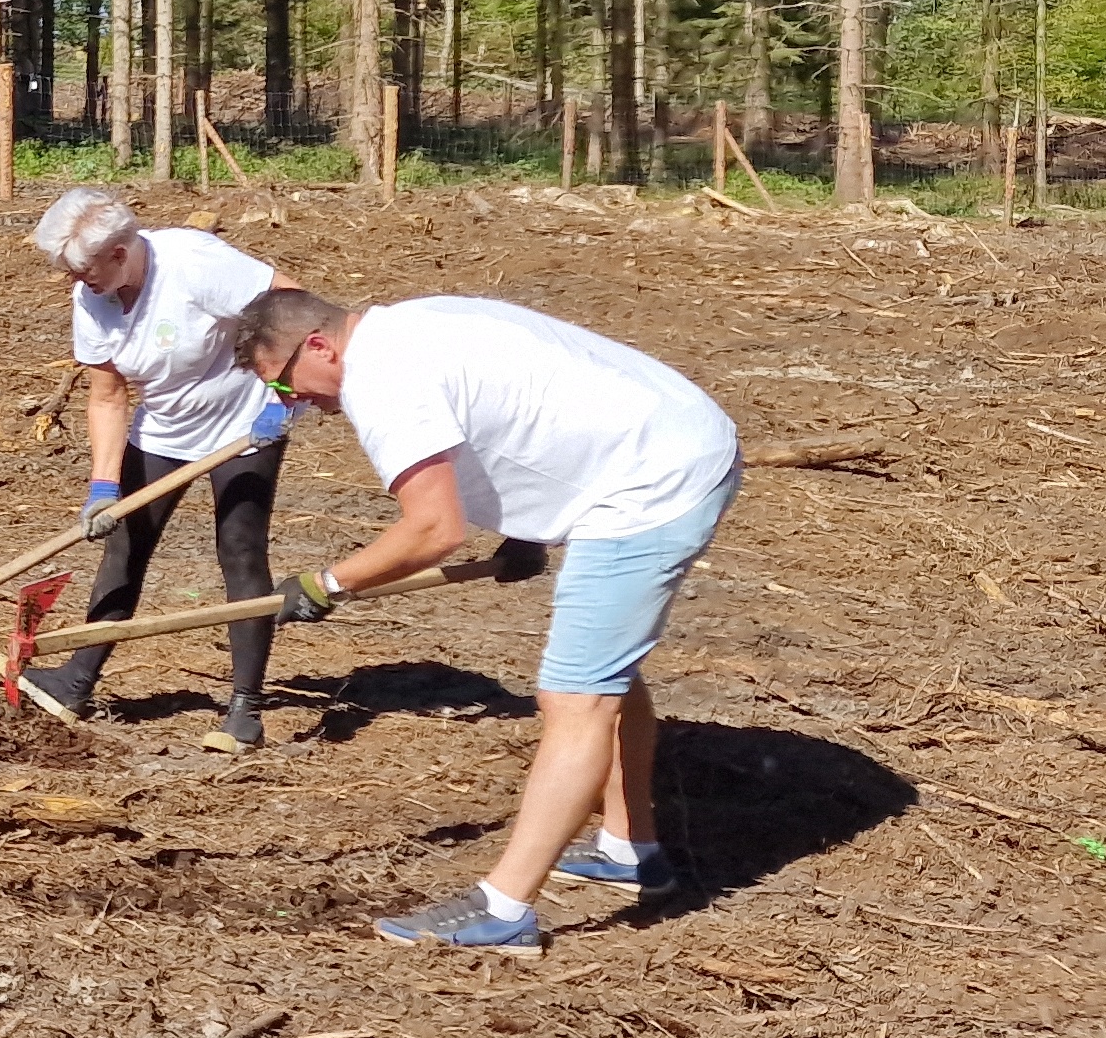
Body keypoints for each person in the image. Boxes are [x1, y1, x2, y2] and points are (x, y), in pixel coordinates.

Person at [230, 286, 742, 955]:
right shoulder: (406, 323)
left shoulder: (383, 380)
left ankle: (505, 909)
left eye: (289, 385)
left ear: (319, 346)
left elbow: (434, 529)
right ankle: (628, 847)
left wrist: (329, 583)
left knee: (574, 697)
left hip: (650, 487)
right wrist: (528, 526)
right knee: (604, 672)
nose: (297, 404)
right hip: (673, 442)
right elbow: (518, 408)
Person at [20, 189, 301, 751]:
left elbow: (293, 304)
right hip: (165, 427)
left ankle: (244, 708)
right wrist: (103, 485)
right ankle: (77, 681)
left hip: (245, 422)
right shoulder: (93, 296)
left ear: (121, 253)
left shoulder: (194, 263)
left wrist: (282, 393)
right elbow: (107, 395)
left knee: (240, 549)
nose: (75, 283)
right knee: (124, 545)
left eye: (82, 269)